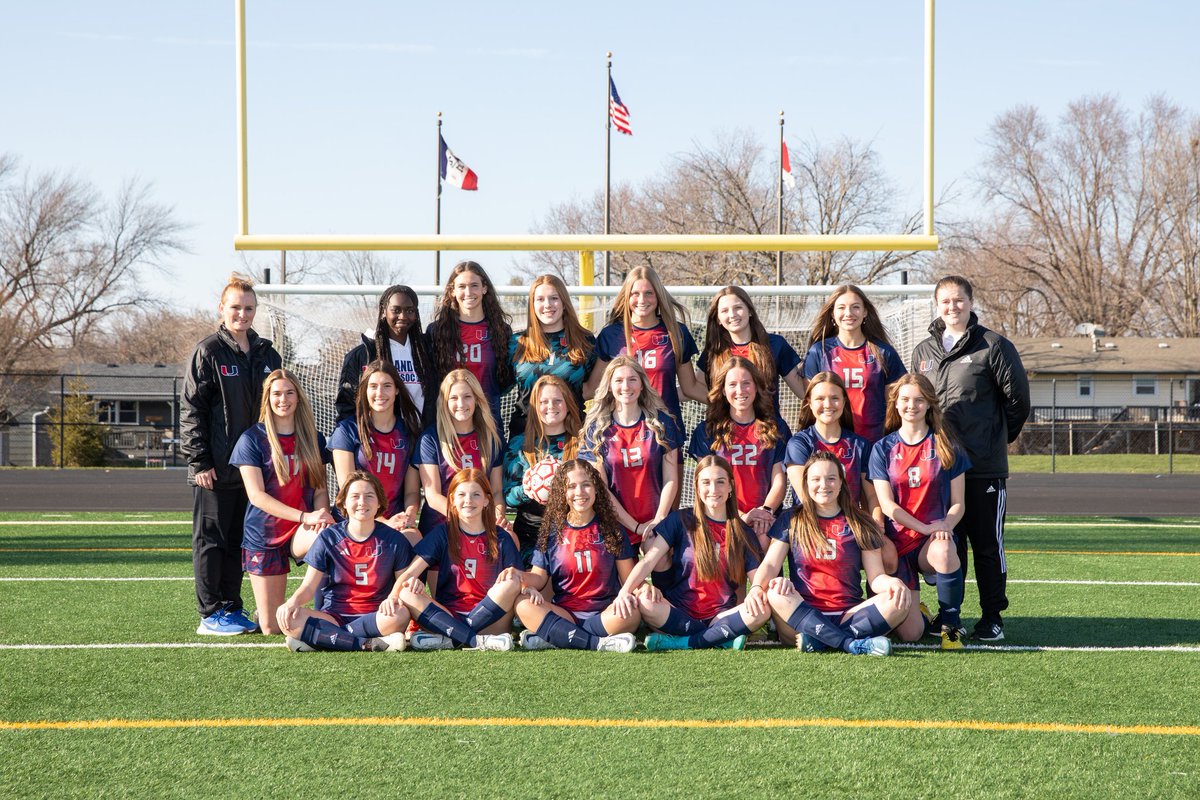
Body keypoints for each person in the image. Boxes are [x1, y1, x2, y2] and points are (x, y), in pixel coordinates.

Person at [910, 275, 1030, 642]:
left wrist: (993, 441)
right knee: (949, 545)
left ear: (971, 302)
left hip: (983, 469)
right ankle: (952, 618)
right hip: (939, 470)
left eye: (959, 300)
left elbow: (1018, 403)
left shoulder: (993, 346)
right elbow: (916, 404)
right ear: (936, 304)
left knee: (987, 546)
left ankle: (992, 617)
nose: (952, 307)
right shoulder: (923, 351)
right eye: (945, 301)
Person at [182, 275, 282, 635]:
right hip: (217, 466)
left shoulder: (267, 353)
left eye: (249, 307)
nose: (242, 313)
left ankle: (231, 606)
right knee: (211, 539)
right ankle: (210, 613)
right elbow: (192, 409)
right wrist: (200, 462)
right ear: (222, 309)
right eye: (236, 307)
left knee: (239, 540)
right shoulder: (208, 351)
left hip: (254, 467)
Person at [754, 452, 911, 655]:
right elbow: (770, 565)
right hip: (801, 615)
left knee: (899, 600)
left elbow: (876, 578)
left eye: (830, 478)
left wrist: (892, 583)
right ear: (806, 484)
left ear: (841, 482)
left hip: (849, 614)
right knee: (774, 592)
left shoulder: (860, 522)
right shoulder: (791, 519)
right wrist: (757, 588)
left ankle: (820, 641)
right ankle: (851, 644)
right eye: (816, 479)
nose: (824, 485)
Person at [620, 455, 769, 651]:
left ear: (731, 486)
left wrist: (757, 591)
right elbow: (649, 561)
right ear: (697, 487)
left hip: (721, 616)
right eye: (706, 483)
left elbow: (756, 578)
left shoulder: (742, 532)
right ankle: (718, 638)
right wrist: (624, 591)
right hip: (679, 612)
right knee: (646, 603)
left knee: (763, 609)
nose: (713, 490)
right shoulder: (680, 519)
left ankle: (682, 642)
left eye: (720, 482)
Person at [869, 374, 971, 650]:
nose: (911, 405)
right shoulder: (883, 448)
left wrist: (945, 525)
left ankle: (951, 627)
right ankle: (924, 617)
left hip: (931, 541)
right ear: (896, 404)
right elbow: (887, 505)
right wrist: (924, 527)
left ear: (929, 405)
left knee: (945, 547)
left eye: (918, 400)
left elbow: (959, 502)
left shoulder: (946, 444)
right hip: (899, 542)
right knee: (910, 634)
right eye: (905, 399)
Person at [230, 368, 334, 635]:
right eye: (276, 393)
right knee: (272, 628)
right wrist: (304, 516)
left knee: (333, 538)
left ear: (298, 397)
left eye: (289, 393)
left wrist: (321, 514)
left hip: (301, 530)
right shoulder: (252, 439)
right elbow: (257, 496)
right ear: (267, 398)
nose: (283, 399)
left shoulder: (313, 437)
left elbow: (319, 488)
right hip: (265, 533)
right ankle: (270, 611)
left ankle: (332, 610)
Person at [380, 470, 522, 651]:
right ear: (453, 499)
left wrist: (529, 588)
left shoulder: (501, 537)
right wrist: (392, 597)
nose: (468, 500)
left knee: (511, 582)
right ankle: (475, 640)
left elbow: (519, 580)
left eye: (476, 494)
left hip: (491, 621)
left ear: (486, 500)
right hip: (449, 616)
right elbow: (409, 573)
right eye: (462, 495)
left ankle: (452, 639)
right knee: (406, 592)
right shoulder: (442, 533)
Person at [276, 471, 412, 652]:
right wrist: (292, 601)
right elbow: (308, 587)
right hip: (333, 616)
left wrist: (392, 599)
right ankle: (367, 644)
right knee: (286, 618)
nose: (362, 502)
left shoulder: (395, 540)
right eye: (355, 496)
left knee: (401, 615)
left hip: (376, 615)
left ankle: (324, 638)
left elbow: (402, 585)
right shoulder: (329, 537)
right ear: (344, 502)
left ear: (379, 502)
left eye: (369, 496)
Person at [513, 459, 640, 652]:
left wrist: (644, 590)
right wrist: (520, 577)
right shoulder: (551, 532)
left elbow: (629, 578)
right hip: (564, 613)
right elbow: (539, 578)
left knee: (632, 613)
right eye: (571, 486)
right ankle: (598, 643)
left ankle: (558, 636)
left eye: (586, 485)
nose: (579, 492)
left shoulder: (611, 529)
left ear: (597, 489)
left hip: (604, 614)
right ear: (561, 494)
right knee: (522, 604)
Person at [580, 356, 683, 549]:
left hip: (656, 520)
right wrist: (635, 527)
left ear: (642, 385)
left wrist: (659, 519)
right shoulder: (597, 429)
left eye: (632, 379)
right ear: (609, 386)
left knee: (659, 562)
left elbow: (671, 479)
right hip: (615, 523)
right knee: (626, 577)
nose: (626, 386)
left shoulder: (661, 423)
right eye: (619, 380)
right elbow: (601, 488)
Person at [687, 356, 789, 551]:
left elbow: (779, 479)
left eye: (746, 383)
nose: (740, 391)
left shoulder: (776, 428)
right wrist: (741, 516)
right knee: (731, 574)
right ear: (723, 390)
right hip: (721, 515)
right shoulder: (707, 431)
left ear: (757, 386)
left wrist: (764, 512)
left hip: (764, 518)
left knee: (763, 544)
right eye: (732, 384)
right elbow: (704, 485)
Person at [784, 372, 889, 553]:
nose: (828, 404)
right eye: (820, 398)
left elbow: (872, 496)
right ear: (808, 402)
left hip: (851, 523)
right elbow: (806, 496)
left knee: (888, 555)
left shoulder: (860, 445)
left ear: (844, 401)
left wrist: (877, 522)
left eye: (834, 398)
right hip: (812, 524)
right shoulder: (799, 444)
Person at [587, 265, 703, 425]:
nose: (642, 300)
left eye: (649, 293)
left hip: (666, 429)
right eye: (635, 294)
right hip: (623, 432)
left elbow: (690, 388)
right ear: (627, 296)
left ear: (658, 296)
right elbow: (593, 389)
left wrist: (733, 403)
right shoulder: (610, 335)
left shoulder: (676, 332)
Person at [329, 360, 421, 545]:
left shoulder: (410, 432)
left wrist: (409, 515)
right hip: (353, 518)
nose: (380, 393)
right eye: (373, 386)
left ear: (396, 389)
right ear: (365, 391)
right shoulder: (347, 431)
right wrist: (383, 522)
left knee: (414, 539)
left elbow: (412, 491)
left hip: (395, 521)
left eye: (387, 386)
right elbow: (348, 491)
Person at [803, 284, 906, 443]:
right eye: (841, 307)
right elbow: (810, 401)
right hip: (831, 442)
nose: (848, 313)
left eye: (855, 307)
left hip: (874, 441)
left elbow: (896, 404)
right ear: (832, 313)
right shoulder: (819, 352)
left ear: (865, 312)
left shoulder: (884, 352)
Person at [412, 370, 506, 533]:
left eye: (467, 397)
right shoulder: (431, 438)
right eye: (454, 398)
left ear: (477, 399)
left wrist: (498, 516)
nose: (461, 404)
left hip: (480, 527)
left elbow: (496, 491)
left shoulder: (490, 438)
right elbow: (433, 496)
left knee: (510, 538)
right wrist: (469, 520)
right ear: (445, 402)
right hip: (440, 528)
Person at [502, 376, 582, 564]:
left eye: (557, 401)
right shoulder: (519, 445)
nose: (551, 406)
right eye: (544, 402)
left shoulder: (583, 444)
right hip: (530, 533)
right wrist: (526, 489)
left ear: (568, 404)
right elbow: (507, 497)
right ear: (535, 407)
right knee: (531, 591)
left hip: (571, 531)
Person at [427, 261, 514, 428]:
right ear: (452, 291)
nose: (468, 292)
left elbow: (506, 379)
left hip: (489, 422)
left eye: (474, 285)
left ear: (484, 288)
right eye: (461, 286)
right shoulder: (437, 332)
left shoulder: (501, 331)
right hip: (448, 423)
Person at [508, 274, 596, 438]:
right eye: (540, 299)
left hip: (573, 435)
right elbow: (500, 386)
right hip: (525, 438)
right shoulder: (516, 343)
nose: (547, 305)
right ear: (532, 305)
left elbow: (593, 388)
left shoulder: (585, 341)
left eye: (554, 298)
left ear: (564, 302)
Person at [335, 284, 435, 425]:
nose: (403, 316)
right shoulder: (362, 355)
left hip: (420, 440)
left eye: (410, 310)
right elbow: (346, 406)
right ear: (383, 311)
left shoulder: (427, 352)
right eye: (396, 310)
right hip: (379, 440)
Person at [695, 285, 805, 410]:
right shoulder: (714, 351)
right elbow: (693, 388)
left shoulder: (775, 344)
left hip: (769, 426)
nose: (732, 314)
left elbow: (802, 391)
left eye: (738, 307)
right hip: (727, 427)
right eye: (724, 311)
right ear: (718, 319)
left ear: (750, 311)